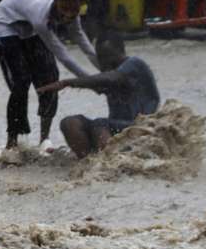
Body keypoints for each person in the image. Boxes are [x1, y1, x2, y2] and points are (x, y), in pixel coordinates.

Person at [0, 0, 97, 152]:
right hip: (6, 24)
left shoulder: (73, 11)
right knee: (21, 82)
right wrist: (90, 80)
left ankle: (44, 140)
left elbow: (82, 42)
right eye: (64, 10)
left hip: (29, 27)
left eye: (73, 11)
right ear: (56, 1)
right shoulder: (41, 14)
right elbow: (63, 55)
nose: (68, 15)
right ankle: (12, 142)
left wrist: (106, 70)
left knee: (50, 78)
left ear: (81, 5)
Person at [36, 30, 160, 158]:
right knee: (69, 122)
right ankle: (88, 161)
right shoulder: (109, 73)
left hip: (138, 128)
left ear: (121, 51)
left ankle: (109, 162)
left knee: (99, 124)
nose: (104, 62)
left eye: (108, 56)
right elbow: (96, 83)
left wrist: (67, 82)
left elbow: (111, 78)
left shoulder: (135, 64)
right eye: (101, 57)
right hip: (114, 128)